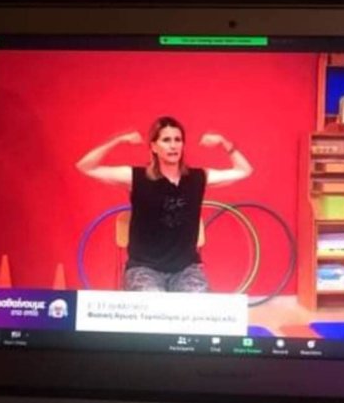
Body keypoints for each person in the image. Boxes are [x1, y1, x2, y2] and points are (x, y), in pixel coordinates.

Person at [76, 116, 253, 292]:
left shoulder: (197, 178)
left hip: (186, 269)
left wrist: (224, 142)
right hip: (144, 268)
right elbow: (86, 166)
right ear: (153, 146)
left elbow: (244, 170)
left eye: (178, 140)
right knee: (152, 304)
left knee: (200, 305)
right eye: (166, 140)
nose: (173, 145)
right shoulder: (137, 177)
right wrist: (118, 139)